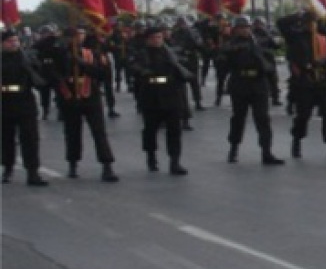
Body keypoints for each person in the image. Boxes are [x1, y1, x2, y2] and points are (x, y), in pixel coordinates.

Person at [277, 11, 326, 161]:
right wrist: (299, 14)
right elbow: (281, 23)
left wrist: (325, 62)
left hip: (324, 81)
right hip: (304, 81)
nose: (311, 24)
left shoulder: (323, 39)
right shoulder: (294, 37)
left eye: (314, 21)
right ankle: (297, 139)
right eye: (309, 21)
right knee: (303, 115)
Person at [53, 25, 118, 182]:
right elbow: (51, 75)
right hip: (69, 97)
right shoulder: (58, 55)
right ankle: (73, 163)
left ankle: (107, 165)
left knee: (99, 132)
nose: (78, 38)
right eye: (74, 36)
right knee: (72, 133)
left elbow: (103, 74)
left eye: (81, 35)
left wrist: (83, 64)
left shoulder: (92, 53)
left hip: (90, 96)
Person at [129, 25, 193, 175]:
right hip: (151, 96)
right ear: (147, 40)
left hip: (171, 95)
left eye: (159, 37)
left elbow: (184, 66)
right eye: (153, 38)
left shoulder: (170, 53)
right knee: (150, 130)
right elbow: (134, 67)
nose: (156, 40)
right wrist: (143, 72)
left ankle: (175, 161)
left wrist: (180, 70)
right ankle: (151, 157)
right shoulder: (142, 54)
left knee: (174, 131)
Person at [220, 16, 284, 165]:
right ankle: (233, 149)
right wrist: (234, 50)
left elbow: (273, 49)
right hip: (240, 83)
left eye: (246, 27)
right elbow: (222, 58)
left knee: (263, 118)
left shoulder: (258, 42)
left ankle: (266, 152)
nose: (244, 30)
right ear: (235, 30)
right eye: (241, 28)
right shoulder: (230, 45)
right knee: (238, 118)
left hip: (258, 83)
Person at [1, 29, 49, 186]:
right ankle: (8, 168)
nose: (14, 43)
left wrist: (32, 64)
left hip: (25, 100)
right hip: (4, 101)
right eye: (10, 41)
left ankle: (32, 172)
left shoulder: (26, 57)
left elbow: (40, 77)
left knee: (30, 138)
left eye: (16, 40)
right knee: (6, 138)